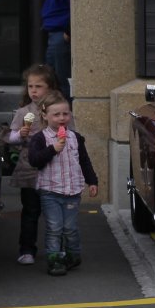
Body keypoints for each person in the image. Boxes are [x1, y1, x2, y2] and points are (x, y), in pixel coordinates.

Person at [26, 92, 98, 276]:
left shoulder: (75, 137)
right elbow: (34, 160)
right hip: (50, 191)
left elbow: (84, 161)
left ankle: (73, 255)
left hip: (72, 191)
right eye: (56, 114)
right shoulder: (40, 138)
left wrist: (92, 181)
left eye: (65, 113)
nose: (61, 118)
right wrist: (53, 149)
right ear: (45, 115)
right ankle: (54, 259)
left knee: (70, 228)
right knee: (54, 227)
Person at [6, 64, 63, 265]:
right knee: (30, 211)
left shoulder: (59, 110)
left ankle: (56, 249)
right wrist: (19, 135)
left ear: (50, 88)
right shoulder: (23, 112)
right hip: (29, 169)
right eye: (30, 86)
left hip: (54, 168)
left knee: (55, 213)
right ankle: (27, 249)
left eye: (39, 86)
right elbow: (11, 138)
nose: (34, 91)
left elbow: (71, 134)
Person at [43, 0, 72, 99]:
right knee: (52, 77)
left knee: (61, 79)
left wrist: (68, 31)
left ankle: (65, 110)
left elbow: (75, 9)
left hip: (60, 35)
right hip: (55, 34)